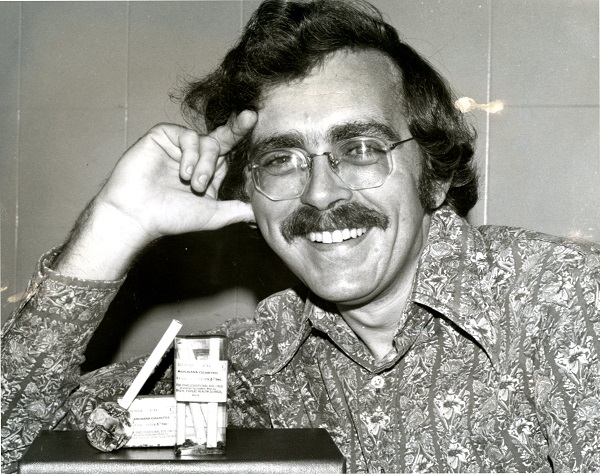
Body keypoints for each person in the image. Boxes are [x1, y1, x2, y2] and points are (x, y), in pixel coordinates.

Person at [2, 0, 599, 472]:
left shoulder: (565, 306)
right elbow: (19, 448)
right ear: (251, 197)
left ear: (435, 177)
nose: (319, 193)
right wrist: (115, 227)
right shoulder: (256, 362)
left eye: (360, 149)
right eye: (282, 160)